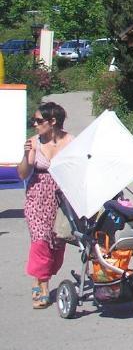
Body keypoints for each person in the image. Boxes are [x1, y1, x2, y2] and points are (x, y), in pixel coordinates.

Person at [17, 102, 73, 309]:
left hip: (62, 198)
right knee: (40, 241)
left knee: (58, 242)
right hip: (37, 196)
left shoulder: (70, 141)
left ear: (53, 122)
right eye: (35, 120)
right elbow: (22, 174)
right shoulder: (33, 143)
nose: (35, 124)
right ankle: (41, 285)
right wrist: (25, 155)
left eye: (39, 121)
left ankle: (42, 275)